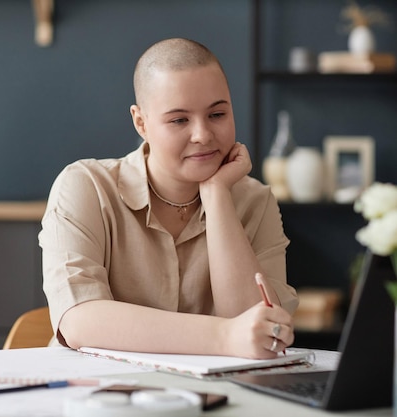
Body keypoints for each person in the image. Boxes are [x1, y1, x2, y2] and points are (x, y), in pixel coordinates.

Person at [39, 38, 298, 360]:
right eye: (179, 120)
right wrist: (223, 337)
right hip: (96, 393)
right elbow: (79, 320)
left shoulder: (255, 200)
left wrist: (217, 194)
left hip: (211, 399)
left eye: (217, 114)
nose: (203, 134)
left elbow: (258, 329)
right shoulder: (86, 185)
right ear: (141, 122)